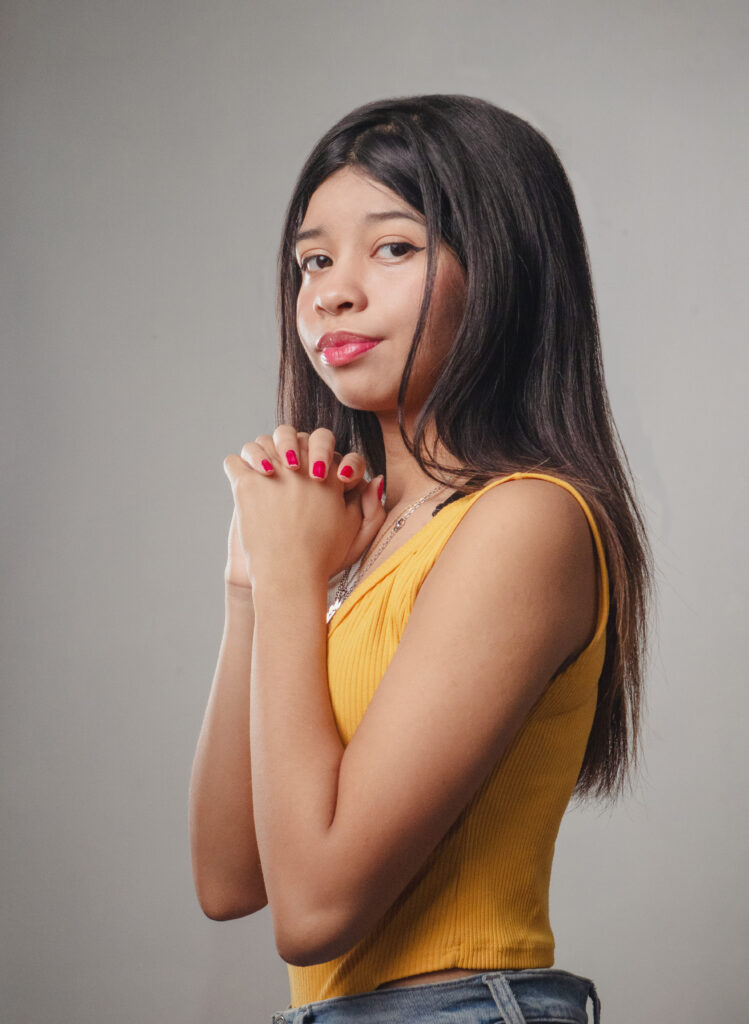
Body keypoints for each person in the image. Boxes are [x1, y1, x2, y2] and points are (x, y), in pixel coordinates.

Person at [189, 94, 653, 1024]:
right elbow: (230, 878)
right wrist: (257, 587)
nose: (331, 291)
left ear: (503, 273)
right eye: (312, 260)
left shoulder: (525, 519)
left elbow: (314, 911)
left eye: (392, 247)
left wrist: (289, 585)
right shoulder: (360, 539)